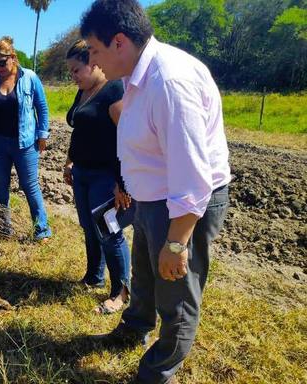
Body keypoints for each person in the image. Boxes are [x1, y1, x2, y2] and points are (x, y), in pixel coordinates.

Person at [80, 1, 231, 383]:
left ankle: (157, 371)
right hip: (154, 197)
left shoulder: (169, 81)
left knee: (176, 292)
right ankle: (134, 328)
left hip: (181, 203)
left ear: (119, 42)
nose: (92, 62)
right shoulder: (137, 75)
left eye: (94, 50)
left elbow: (192, 175)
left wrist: (178, 243)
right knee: (146, 275)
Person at [63, 39, 133, 313]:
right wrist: (70, 162)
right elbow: (79, 129)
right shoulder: (84, 91)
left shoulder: (115, 90)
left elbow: (127, 141)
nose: (73, 77)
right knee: (88, 227)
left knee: (109, 231)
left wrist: (122, 183)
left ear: (94, 64)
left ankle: (121, 291)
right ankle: (94, 276)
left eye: (76, 70)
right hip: (82, 172)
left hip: (106, 175)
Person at [0, 36, 52, 242]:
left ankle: (42, 231)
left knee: (30, 186)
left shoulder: (29, 77)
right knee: (0, 187)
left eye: (2, 62)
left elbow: (42, 107)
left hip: (25, 143)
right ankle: (4, 230)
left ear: (13, 57)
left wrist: (42, 134)